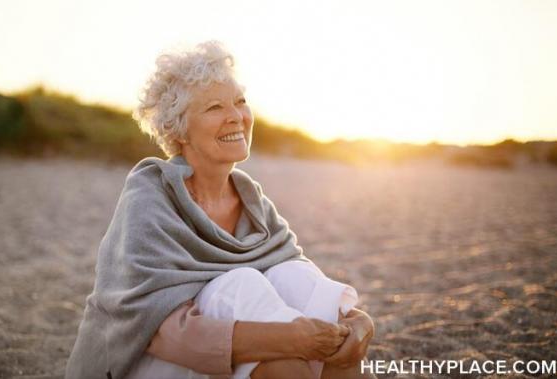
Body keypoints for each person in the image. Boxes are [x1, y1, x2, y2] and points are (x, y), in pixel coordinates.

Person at [64, 40, 375, 379]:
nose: (236, 117)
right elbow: (156, 330)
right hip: (137, 361)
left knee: (291, 275)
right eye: (214, 108)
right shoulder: (150, 198)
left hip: (230, 355)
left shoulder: (251, 199)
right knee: (242, 285)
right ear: (177, 129)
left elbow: (303, 281)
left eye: (240, 102)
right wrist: (291, 338)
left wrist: (359, 325)